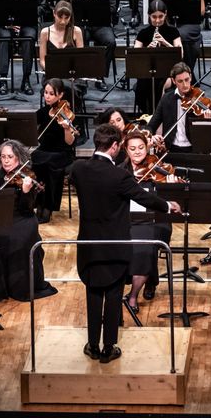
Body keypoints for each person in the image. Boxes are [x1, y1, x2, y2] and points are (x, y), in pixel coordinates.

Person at [72, 124, 178, 362]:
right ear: (114, 146)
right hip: (115, 244)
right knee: (112, 294)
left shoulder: (78, 169)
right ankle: (109, 348)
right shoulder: (119, 175)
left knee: (93, 293)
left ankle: (92, 344)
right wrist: (168, 205)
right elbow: (144, 197)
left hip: (88, 245)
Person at [0, 140, 56, 302]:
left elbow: (27, 209)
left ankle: (20, 286)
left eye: (10, 157)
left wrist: (26, 192)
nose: (6, 160)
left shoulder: (27, 177)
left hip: (22, 219)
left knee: (20, 238)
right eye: (3, 156)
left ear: (19, 158)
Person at [120, 129, 176, 313]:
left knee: (144, 247)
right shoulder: (120, 171)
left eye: (141, 147)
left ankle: (133, 295)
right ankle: (150, 279)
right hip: (128, 220)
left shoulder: (158, 168)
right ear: (126, 150)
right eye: (133, 148)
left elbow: (170, 200)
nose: (137, 152)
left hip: (155, 219)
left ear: (147, 147)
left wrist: (171, 185)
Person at [54, 0, 117, 87]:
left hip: (99, 24)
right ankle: (80, 77)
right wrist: (70, 7)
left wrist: (96, 6)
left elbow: (112, 8)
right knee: (80, 39)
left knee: (110, 42)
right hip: (79, 23)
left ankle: (100, 76)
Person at [34, 78, 79, 223]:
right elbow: (31, 132)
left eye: (51, 94)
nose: (47, 96)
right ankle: (38, 204)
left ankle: (48, 207)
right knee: (36, 159)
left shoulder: (67, 114)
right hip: (44, 151)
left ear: (60, 95)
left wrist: (66, 129)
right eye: (45, 93)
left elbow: (70, 142)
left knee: (50, 164)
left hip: (62, 153)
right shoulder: (42, 112)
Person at [150, 0, 206, 71]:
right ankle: (165, 70)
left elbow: (202, 11)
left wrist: (187, 7)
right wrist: (160, 6)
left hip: (189, 23)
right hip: (170, 21)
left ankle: (185, 70)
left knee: (181, 35)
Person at [147, 62, 211, 154]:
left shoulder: (198, 98)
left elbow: (206, 136)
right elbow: (151, 125)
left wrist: (208, 122)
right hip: (171, 149)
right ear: (173, 81)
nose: (185, 85)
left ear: (190, 77)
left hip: (193, 150)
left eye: (187, 79)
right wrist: (150, 135)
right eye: (180, 81)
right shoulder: (166, 99)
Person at [132, 0, 183, 115]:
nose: (157, 20)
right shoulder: (143, 33)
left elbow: (180, 54)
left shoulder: (173, 31)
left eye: (161, 16)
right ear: (149, 16)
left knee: (159, 84)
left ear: (165, 14)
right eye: (154, 17)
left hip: (169, 73)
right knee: (143, 86)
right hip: (147, 72)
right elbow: (135, 56)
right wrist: (147, 50)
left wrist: (165, 43)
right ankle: (148, 114)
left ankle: (159, 116)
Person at [37, 0, 86, 76]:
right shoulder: (45, 32)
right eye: (60, 17)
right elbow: (42, 61)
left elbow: (80, 59)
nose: (63, 21)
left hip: (72, 75)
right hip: (52, 74)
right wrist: (52, 71)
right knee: (53, 83)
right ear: (54, 13)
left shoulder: (76, 31)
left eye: (66, 18)